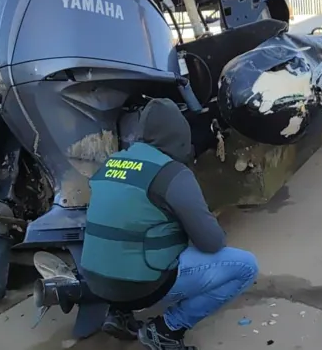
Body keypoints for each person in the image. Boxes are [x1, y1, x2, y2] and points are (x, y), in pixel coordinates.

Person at [80, 98, 259, 350]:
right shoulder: (172, 173)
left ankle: (119, 313)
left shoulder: (111, 162)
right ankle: (167, 329)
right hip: (143, 286)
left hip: (96, 282)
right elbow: (212, 242)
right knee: (245, 266)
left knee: (130, 237)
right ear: (179, 134)